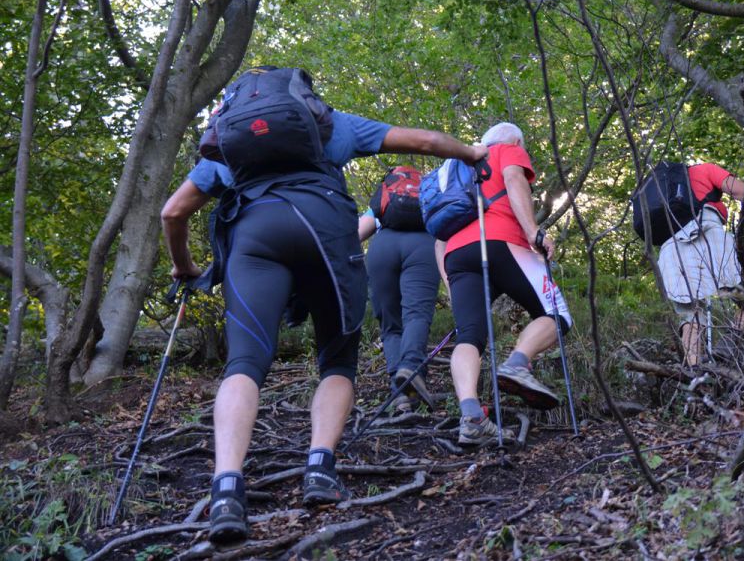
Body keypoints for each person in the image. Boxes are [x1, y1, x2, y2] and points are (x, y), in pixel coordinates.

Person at [161, 88, 486, 544]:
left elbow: (173, 212)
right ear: (303, 102)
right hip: (325, 232)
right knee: (336, 361)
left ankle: (226, 489)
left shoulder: (228, 144)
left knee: (245, 364)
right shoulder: (331, 125)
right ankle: (318, 469)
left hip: (255, 239)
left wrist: (184, 266)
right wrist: (473, 153)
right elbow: (428, 143)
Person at [436, 122, 573, 446]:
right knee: (557, 315)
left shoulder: (453, 169)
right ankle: (517, 364)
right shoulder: (507, 149)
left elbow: (438, 234)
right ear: (514, 140)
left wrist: (449, 280)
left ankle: (471, 416)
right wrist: (532, 233)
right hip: (500, 241)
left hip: (456, 255)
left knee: (470, 335)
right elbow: (513, 180)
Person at [656, 162, 744, 366]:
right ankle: (727, 352)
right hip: (708, 235)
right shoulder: (704, 170)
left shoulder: (660, 190)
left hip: (671, 248)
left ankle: (694, 372)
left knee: (691, 314)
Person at [358, 169, 440, 413]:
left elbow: (360, 231)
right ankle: (411, 367)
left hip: (383, 247)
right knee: (416, 314)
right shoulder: (429, 192)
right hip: (423, 246)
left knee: (390, 324)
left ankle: (399, 393)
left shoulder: (386, 196)